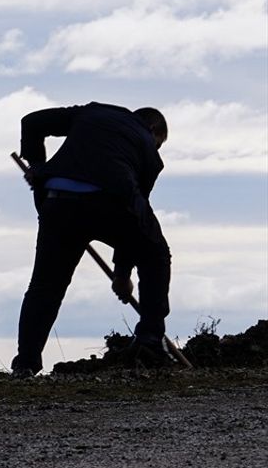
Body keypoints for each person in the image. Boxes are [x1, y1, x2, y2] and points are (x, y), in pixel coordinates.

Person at [13, 102, 171, 376]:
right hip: (112, 203)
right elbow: (136, 216)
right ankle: (150, 340)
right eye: (159, 143)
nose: (155, 148)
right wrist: (122, 274)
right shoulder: (148, 150)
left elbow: (32, 121)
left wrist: (38, 167)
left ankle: (26, 363)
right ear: (153, 130)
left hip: (59, 202)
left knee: (46, 285)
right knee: (155, 254)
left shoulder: (91, 112)